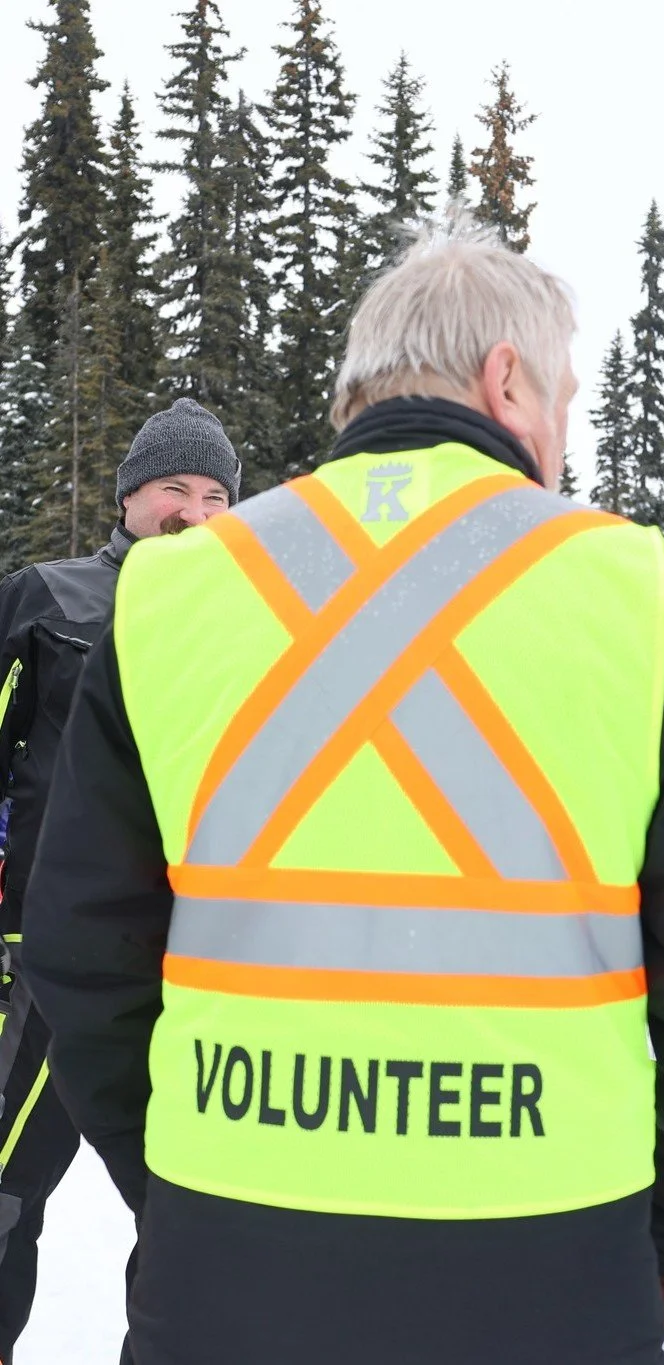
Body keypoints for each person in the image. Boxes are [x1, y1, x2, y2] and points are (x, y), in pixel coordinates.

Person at [22, 215, 664, 1365]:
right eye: (565, 399)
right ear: (507, 381)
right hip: (551, 1254)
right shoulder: (632, 595)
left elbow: (79, 947)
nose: (564, 433)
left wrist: (179, 1181)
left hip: (227, 1250)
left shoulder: (171, 599)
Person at [0, 398, 240, 1360]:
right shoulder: (47, 599)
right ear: (130, 496)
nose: (195, 512)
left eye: (218, 495)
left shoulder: (259, 629)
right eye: (174, 489)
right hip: (43, 964)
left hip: (198, 970)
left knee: (195, 1213)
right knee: (8, 1194)